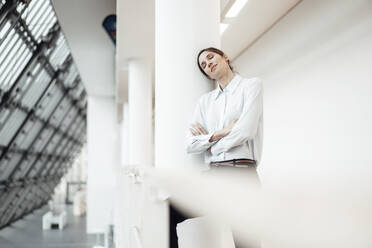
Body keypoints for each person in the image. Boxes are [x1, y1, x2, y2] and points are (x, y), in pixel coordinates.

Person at [187, 47, 263, 176]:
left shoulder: (251, 86)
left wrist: (211, 147)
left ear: (225, 57)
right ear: (207, 75)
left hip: (241, 170)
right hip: (213, 173)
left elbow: (245, 131)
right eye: (204, 65)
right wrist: (221, 132)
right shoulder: (205, 101)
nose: (208, 63)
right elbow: (190, 144)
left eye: (210, 57)